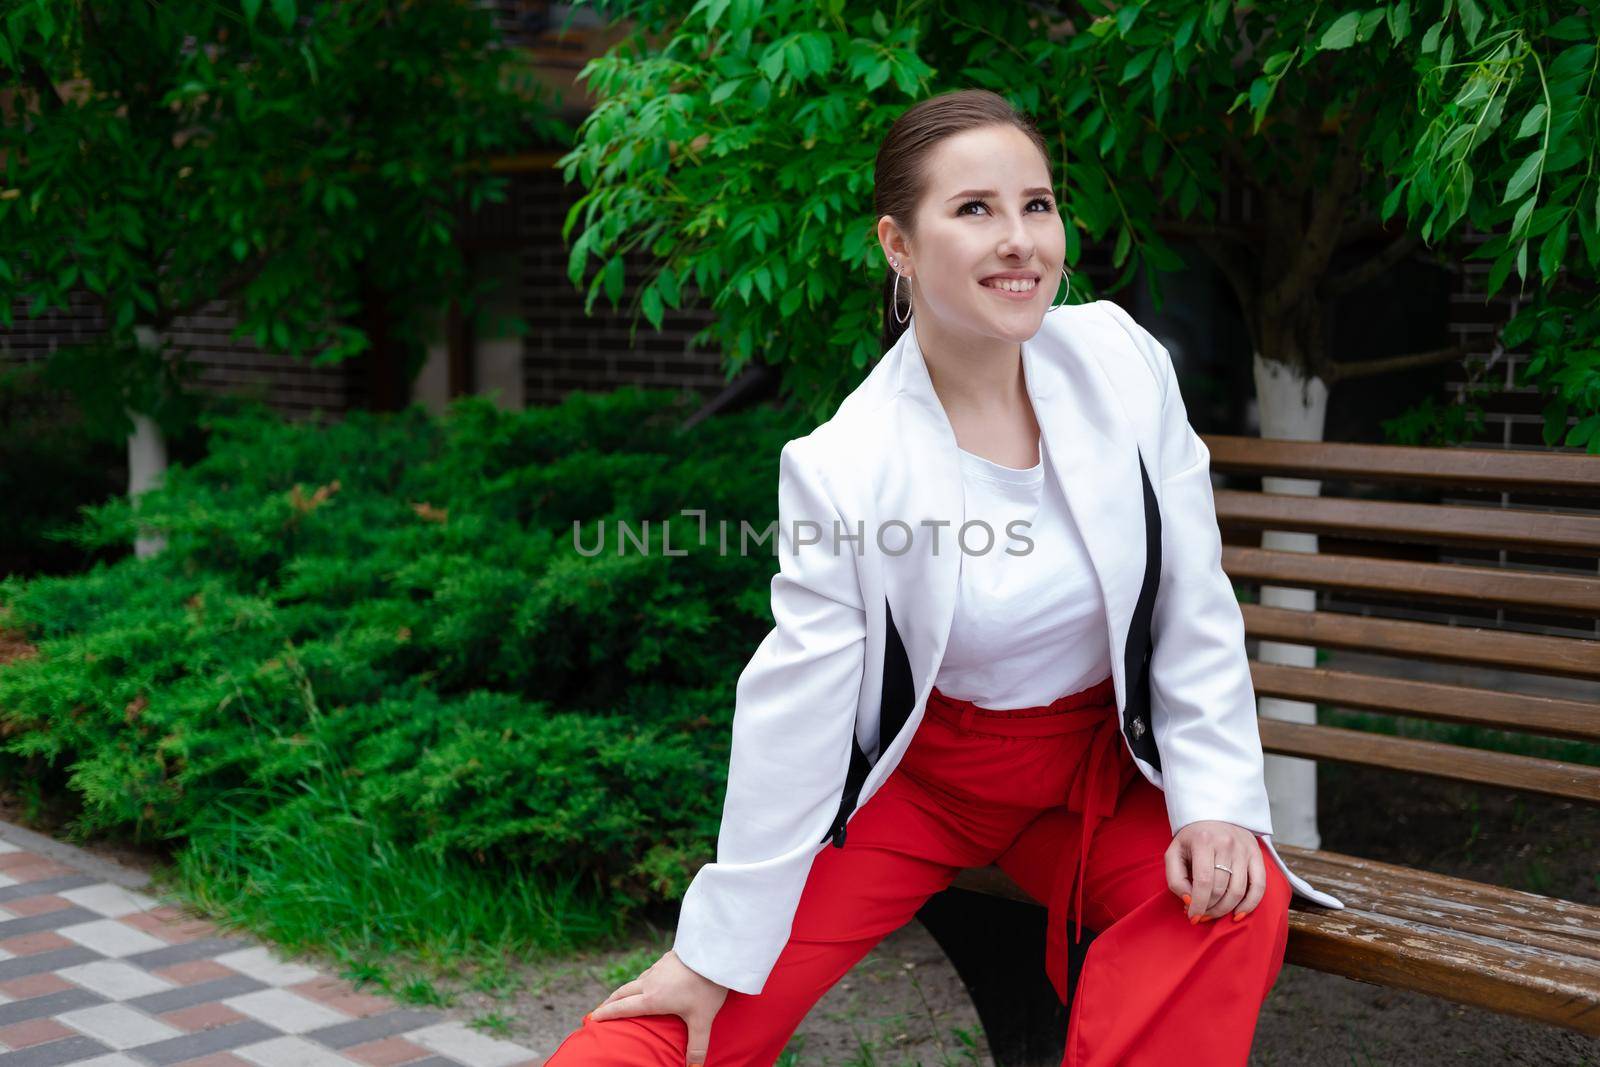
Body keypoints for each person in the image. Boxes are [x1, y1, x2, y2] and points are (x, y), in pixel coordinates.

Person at [545, 88, 1344, 1067]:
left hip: (1091, 770)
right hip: (918, 779)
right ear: (899, 245)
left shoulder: (1123, 364)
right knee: (693, 1013)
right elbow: (795, 704)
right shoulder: (847, 463)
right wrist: (712, 947)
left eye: (1036, 205)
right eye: (974, 209)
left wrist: (1215, 798)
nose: (1018, 239)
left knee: (1229, 896)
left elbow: (1189, 597)